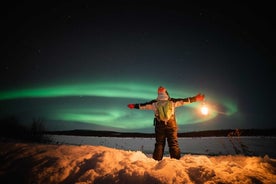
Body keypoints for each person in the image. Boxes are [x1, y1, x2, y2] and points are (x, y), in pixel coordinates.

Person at [127, 86, 205, 161]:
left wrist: (133, 106)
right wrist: (196, 98)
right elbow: (184, 101)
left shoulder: (154, 103)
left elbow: (142, 106)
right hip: (171, 124)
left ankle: (156, 162)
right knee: (173, 143)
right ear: (166, 92)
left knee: (159, 143)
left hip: (159, 125)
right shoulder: (172, 101)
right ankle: (176, 162)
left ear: (158, 93)